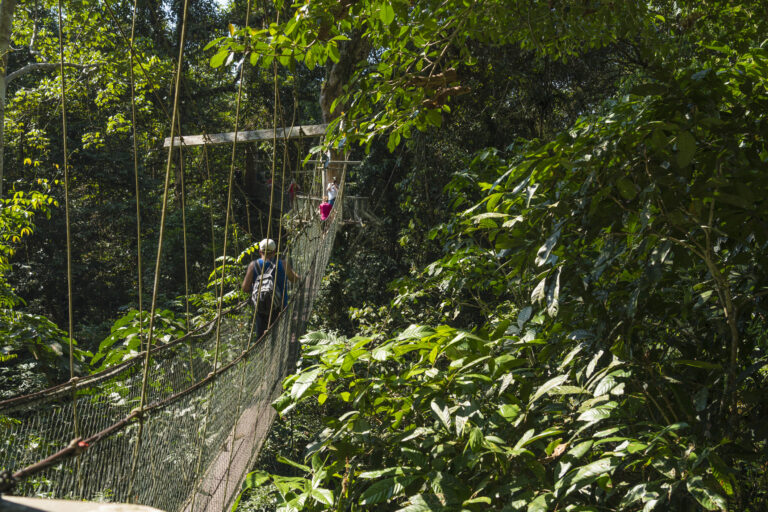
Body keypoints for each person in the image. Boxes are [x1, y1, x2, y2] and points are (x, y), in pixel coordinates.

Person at [241, 238, 299, 339]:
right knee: (281, 338)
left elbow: (245, 288)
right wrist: (300, 276)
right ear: (274, 251)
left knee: (262, 340)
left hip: (261, 310)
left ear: (260, 251)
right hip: (280, 310)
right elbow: (294, 279)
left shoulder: (253, 265)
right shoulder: (283, 264)